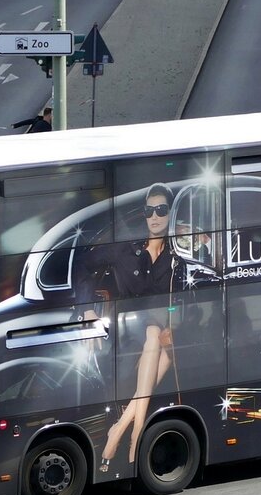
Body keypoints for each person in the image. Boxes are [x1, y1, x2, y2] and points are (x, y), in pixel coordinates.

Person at [77, 183, 185, 474]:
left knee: (166, 346)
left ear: (171, 212)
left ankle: (122, 426)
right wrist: (87, 309)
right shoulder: (125, 249)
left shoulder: (178, 254)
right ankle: (135, 435)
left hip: (160, 336)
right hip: (126, 334)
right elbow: (83, 267)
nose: (154, 216)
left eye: (161, 210)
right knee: (155, 337)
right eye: (149, 210)